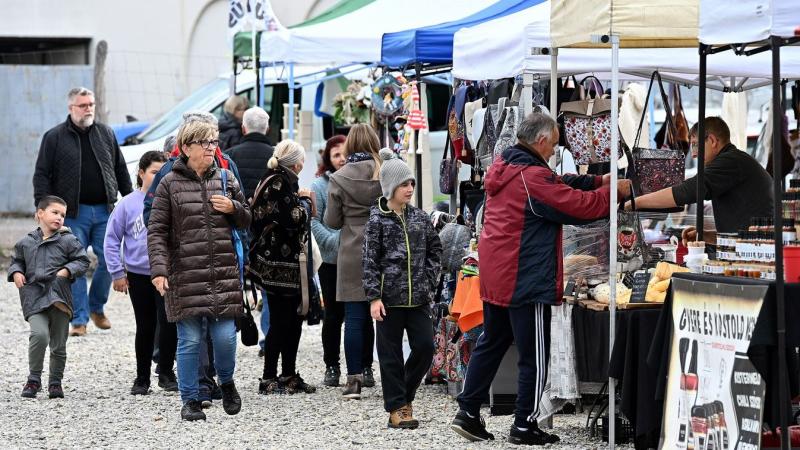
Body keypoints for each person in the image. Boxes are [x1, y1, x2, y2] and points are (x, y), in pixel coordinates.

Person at [450, 113, 631, 445]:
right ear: (542, 140)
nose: (556, 148)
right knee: (533, 355)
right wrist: (614, 193)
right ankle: (524, 424)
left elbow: (556, 183)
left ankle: (468, 412)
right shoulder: (530, 176)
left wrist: (597, 181)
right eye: (555, 141)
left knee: (492, 341)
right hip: (524, 277)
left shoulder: (508, 166)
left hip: (497, 273)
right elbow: (575, 207)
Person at [147, 119, 250, 421]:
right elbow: (156, 231)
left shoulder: (227, 178)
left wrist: (234, 208)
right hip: (186, 274)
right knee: (190, 340)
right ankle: (190, 399)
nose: (211, 148)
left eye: (214, 142)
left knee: (225, 338)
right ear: (187, 146)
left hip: (222, 273)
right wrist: (159, 270)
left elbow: (247, 219)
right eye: (205, 142)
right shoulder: (169, 183)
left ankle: (227, 381)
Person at [33, 87, 133, 337]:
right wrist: (43, 208)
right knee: (76, 265)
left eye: (91, 104)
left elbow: (119, 168)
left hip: (105, 211)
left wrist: (131, 201)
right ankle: (79, 319)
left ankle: (96, 307)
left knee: (112, 261)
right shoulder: (54, 137)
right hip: (72, 214)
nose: (88, 109)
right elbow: (42, 174)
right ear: (71, 108)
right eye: (83, 105)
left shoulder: (105, 133)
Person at [363, 149, 441, 429]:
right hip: (388, 301)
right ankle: (398, 409)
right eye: (404, 185)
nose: (409, 189)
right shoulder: (376, 221)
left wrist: (429, 280)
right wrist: (373, 297)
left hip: (419, 298)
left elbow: (435, 249)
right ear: (390, 187)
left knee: (425, 347)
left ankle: (403, 397)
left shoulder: (419, 217)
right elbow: (369, 261)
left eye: (411, 184)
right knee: (390, 356)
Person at [626, 116, 774, 244]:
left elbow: (687, 191)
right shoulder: (734, 161)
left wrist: (634, 203)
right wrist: (706, 236)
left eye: (695, 145)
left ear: (712, 140)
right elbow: (741, 231)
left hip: (759, 251)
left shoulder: (730, 161)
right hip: (754, 246)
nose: (694, 154)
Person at [104, 151, 178, 395]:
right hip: (138, 274)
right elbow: (112, 239)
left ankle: (166, 372)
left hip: (166, 273)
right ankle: (142, 377)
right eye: (154, 172)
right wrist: (117, 272)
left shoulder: (169, 198)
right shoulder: (128, 203)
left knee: (168, 323)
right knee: (145, 325)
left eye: (162, 172)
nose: (158, 177)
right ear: (141, 173)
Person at [249, 140, 317, 395]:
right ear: (297, 163)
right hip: (279, 266)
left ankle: (288, 374)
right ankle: (270, 377)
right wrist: (307, 204)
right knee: (282, 321)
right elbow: (293, 219)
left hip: (280, 264)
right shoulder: (279, 182)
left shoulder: (275, 179)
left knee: (291, 320)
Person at [8, 196, 90, 399]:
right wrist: (16, 273)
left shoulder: (68, 240)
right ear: (40, 214)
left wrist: (67, 271)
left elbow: (82, 260)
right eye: (55, 212)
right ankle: (33, 380)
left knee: (58, 344)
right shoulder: (26, 242)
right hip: (34, 297)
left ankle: (55, 382)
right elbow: (16, 261)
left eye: (63, 214)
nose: (59, 217)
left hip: (59, 299)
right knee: (39, 335)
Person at [325, 124, 383, 399]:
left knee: (355, 318)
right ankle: (381, 373)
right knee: (384, 316)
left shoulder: (339, 177)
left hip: (351, 249)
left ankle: (354, 379)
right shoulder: (385, 171)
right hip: (385, 246)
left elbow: (332, 221)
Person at [310, 135, 354, 387]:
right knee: (333, 315)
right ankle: (332, 365)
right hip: (330, 259)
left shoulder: (358, 180)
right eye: (336, 154)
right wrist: (337, 240)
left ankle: (362, 366)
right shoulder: (319, 186)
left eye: (344, 153)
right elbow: (314, 221)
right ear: (328, 158)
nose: (341, 159)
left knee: (358, 315)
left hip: (355, 259)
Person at [226, 106, 274, 201]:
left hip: (237, 212)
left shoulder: (228, 155)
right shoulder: (278, 156)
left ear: (243, 129)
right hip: (269, 213)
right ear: (268, 129)